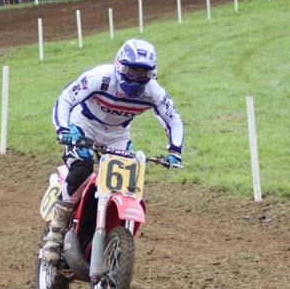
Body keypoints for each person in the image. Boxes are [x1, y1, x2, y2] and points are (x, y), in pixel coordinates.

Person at [43, 39, 184, 264]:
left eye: (143, 73)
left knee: (123, 188)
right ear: (119, 66)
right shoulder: (102, 77)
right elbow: (67, 97)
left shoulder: (153, 92)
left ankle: (100, 238)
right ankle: (56, 233)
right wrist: (62, 128)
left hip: (118, 136)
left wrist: (175, 152)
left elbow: (173, 119)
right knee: (82, 169)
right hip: (83, 126)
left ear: (152, 73)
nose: (137, 78)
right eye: (132, 70)